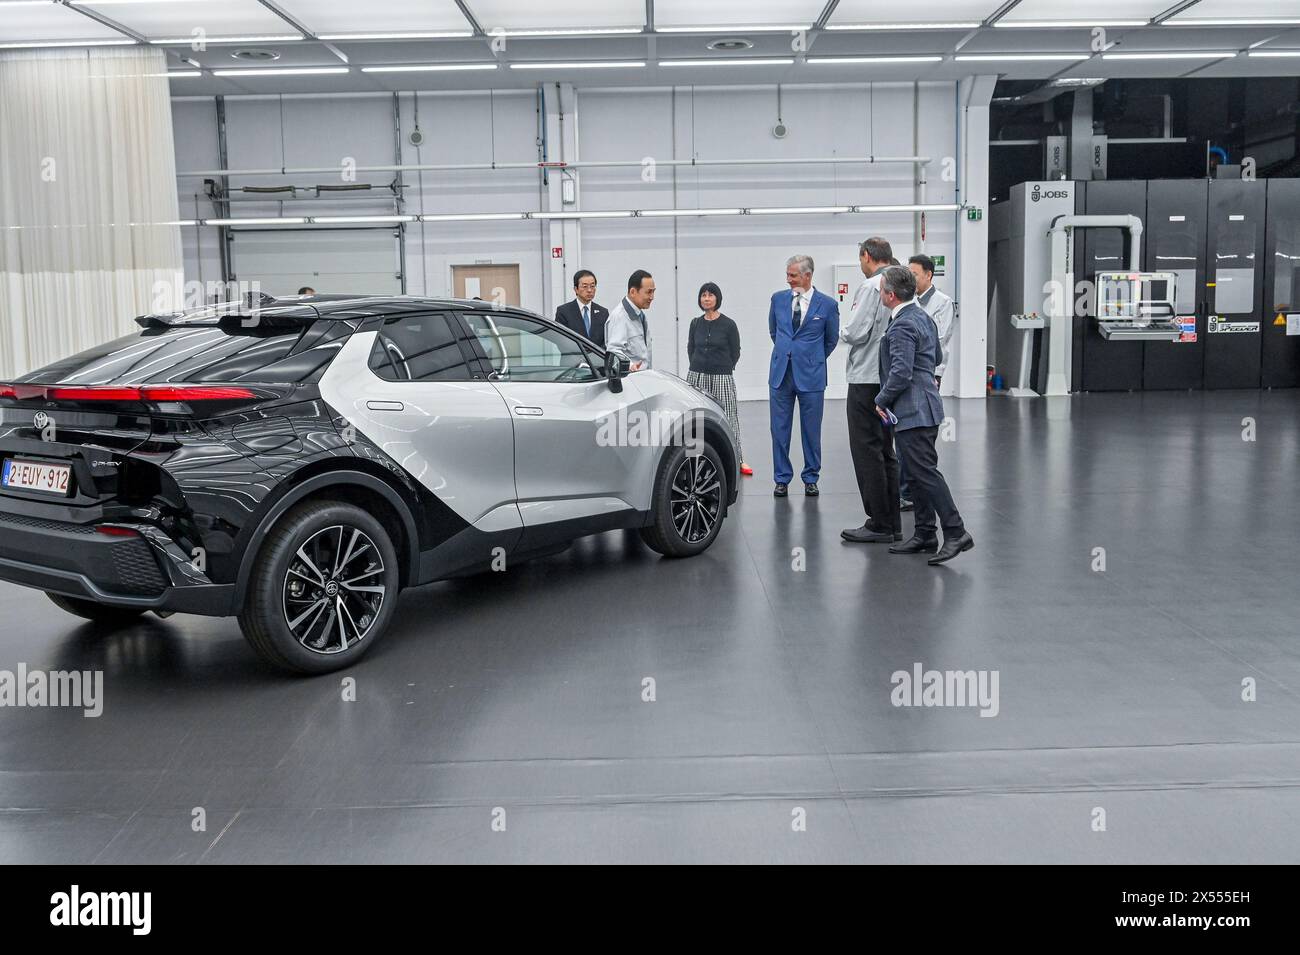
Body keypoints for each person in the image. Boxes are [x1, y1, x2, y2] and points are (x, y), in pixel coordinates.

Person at [875, 266, 974, 565]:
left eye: (881, 290)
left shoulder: (904, 324)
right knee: (916, 473)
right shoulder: (923, 317)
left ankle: (956, 532)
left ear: (891, 295)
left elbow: (901, 372)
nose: (879, 293)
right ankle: (925, 533)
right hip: (924, 406)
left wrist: (881, 400)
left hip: (913, 408)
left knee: (925, 473)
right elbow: (937, 358)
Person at [840, 237, 899, 543]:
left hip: (865, 378)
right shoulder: (900, 283)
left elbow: (855, 331)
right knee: (886, 449)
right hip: (888, 379)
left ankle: (878, 522)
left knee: (866, 450)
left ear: (866, 256)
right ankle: (892, 521)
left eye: (860, 258)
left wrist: (840, 330)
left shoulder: (870, 286)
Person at [768, 254, 839, 498]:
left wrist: (810, 358)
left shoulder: (827, 305)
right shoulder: (777, 300)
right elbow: (774, 331)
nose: (788, 279)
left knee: (811, 430)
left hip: (812, 376)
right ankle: (781, 479)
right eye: (787, 274)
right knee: (779, 429)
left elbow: (831, 340)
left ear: (807, 276)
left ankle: (811, 477)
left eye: (793, 275)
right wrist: (787, 352)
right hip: (780, 375)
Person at [900, 254, 957, 511]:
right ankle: (906, 490)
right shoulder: (908, 302)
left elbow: (939, 340)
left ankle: (917, 490)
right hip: (907, 375)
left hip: (928, 375)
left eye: (914, 274)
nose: (910, 278)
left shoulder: (942, 303)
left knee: (920, 437)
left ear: (928, 275)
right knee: (904, 436)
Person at [687, 282, 752, 477]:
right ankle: (694, 457)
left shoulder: (728, 324)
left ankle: (737, 459)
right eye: (703, 295)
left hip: (722, 377)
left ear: (717, 298)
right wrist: (698, 366)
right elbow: (691, 348)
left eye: (710, 295)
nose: (706, 298)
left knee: (729, 416)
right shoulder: (695, 323)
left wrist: (724, 366)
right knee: (697, 418)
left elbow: (736, 352)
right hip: (697, 376)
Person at [605, 270, 655, 371]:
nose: (652, 297)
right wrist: (630, 366)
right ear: (633, 292)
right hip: (630, 380)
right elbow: (613, 351)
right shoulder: (620, 317)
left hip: (642, 378)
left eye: (653, 291)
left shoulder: (639, 315)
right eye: (649, 292)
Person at [555, 269, 608, 346]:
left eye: (592, 286)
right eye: (585, 286)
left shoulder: (603, 312)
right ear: (576, 289)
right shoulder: (563, 311)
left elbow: (607, 341)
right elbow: (560, 340)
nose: (589, 290)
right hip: (573, 357)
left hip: (597, 357)